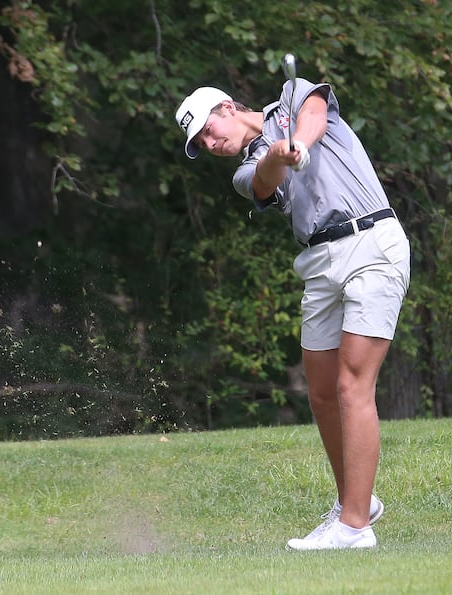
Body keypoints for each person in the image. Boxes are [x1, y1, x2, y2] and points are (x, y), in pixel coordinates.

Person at [174, 76, 410, 550]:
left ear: (226, 107)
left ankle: (354, 528)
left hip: (371, 243)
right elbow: (264, 180)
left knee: (351, 385)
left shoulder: (290, 94)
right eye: (200, 142)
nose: (209, 142)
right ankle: (356, 503)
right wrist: (277, 157)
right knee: (321, 393)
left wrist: (298, 142)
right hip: (318, 264)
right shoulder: (245, 170)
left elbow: (315, 115)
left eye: (207, 129)